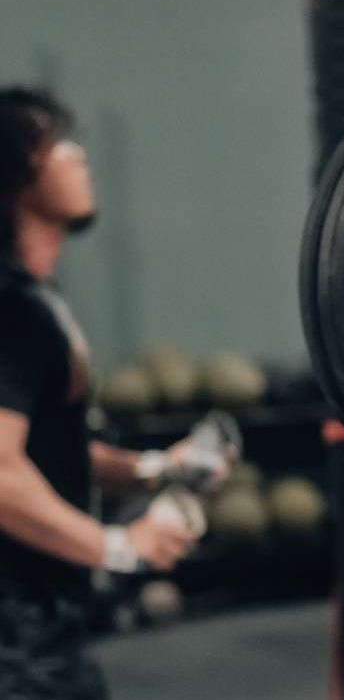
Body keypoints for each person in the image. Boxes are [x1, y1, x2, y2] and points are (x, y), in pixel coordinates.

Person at [0, 88, 222, 699]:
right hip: (17, 637)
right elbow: (1, 474)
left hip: (46, 624)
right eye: (55, 145)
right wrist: (119, 546)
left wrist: (157, 469)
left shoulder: (35, 304)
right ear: (16, 174)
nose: (79, 157)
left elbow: (49, 448)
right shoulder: (12, 311)